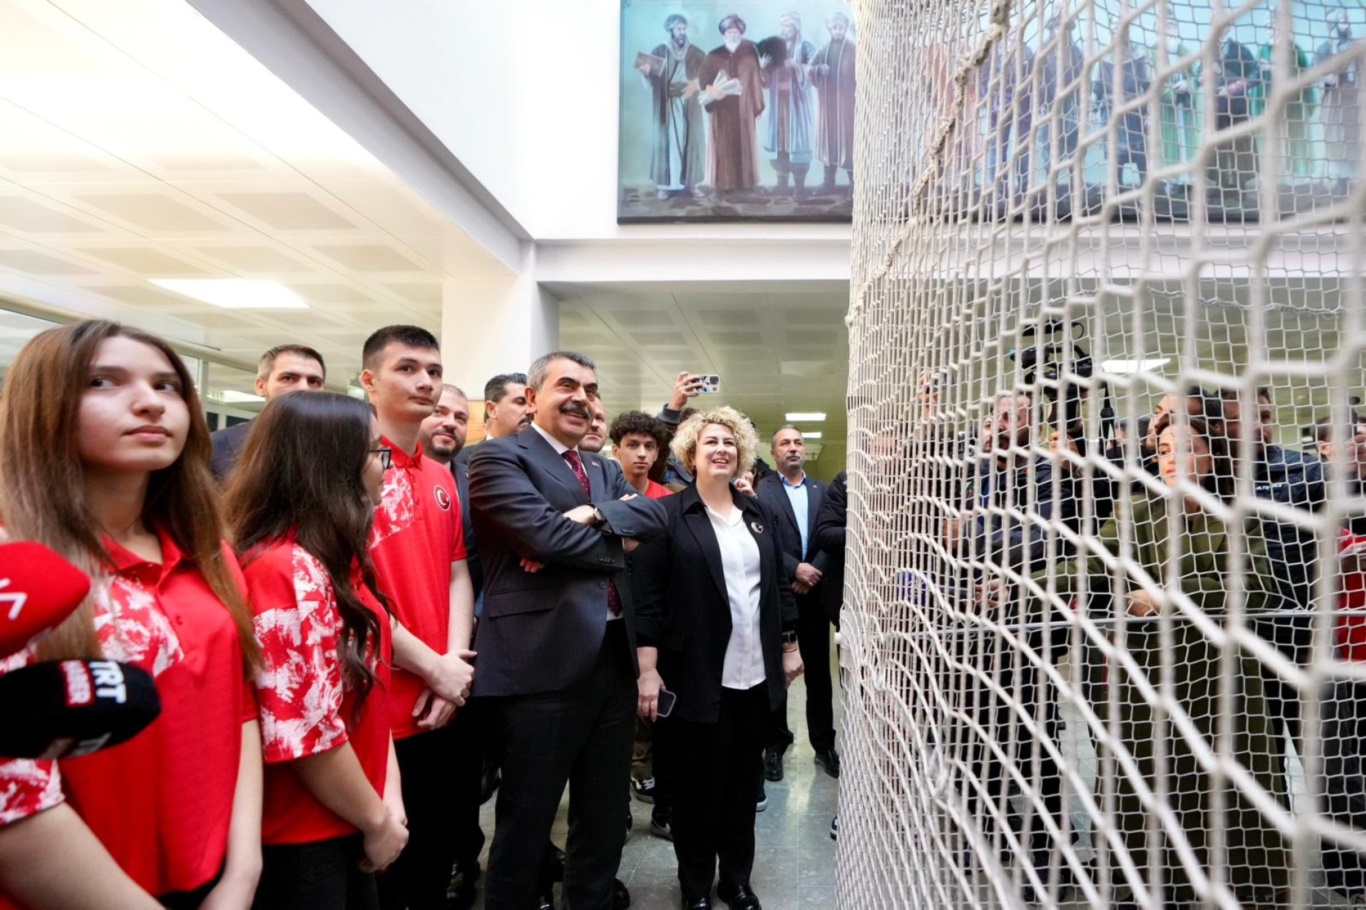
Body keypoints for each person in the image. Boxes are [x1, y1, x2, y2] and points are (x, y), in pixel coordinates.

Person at [0, 320, 262, 909]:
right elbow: (11, 802)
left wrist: (242, 873)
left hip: (213, 880)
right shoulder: (14, 564)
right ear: (43, 405)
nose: (150, 402)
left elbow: (239, 705)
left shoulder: (208, 552)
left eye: (169, 386)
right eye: (103, 381)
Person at [467, 350, 666, 910]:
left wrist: (593, 517)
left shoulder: (604, 467)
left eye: (592, 388)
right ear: (531, 399)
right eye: (567, 385)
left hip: (612, 662)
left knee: (603, 819)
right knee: (526, 823)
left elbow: (655, 518)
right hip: (539, 668)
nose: (582, 397)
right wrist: (598, 536)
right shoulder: (497, 459)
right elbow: (542, 539)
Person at [1074, 414, 1289, 907]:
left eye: (1185, 447)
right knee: (1146, 793)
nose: (1172, 459)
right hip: (1148, 683)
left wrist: (1165, 597)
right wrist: (1018, 589)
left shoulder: (1241, 513)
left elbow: (1256, 590)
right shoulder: (1135, 512)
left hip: (1223, 687)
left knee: (1232, 806)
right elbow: (1084, 565)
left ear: (1212, 457)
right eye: (1165, 449)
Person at [224, 391, 407, 909]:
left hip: (349, 812)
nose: (385, 467)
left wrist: (386, 801)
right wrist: (376, 819)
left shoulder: (330, 560)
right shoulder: (287, 570)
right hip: (306, 837)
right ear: (331, 467)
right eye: (375, 453)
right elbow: (306, 732)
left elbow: (366, 696)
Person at [633, 407, 802, 910]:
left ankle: (736, 881)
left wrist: (790, 647)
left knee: (742, 787)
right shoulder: (667, 516)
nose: (722, 449)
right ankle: (694, 888)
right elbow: (647, 600)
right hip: (695, 677)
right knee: (694, 792)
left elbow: (777, 585)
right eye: (711, 442)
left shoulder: (758, 515)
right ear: (690, 455)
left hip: (755, 676)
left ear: (742, 454)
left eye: (730, 442)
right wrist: (647, 670)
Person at [359, 326, 476, 910]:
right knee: (384, 866)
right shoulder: (353, 469)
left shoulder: (440, 475)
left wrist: (452, 668)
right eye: (407, 368)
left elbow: (458, 570)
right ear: (370, 381)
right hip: (376, 698)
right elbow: (348, 590)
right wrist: (434, 668)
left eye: (433, 369)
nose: (425, 381)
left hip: (441, 698)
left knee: (435, 853)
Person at [756, 426, 837, 786]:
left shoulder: (824, 490)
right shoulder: (761, 490)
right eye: (785, 443)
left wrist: (813, 569)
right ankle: (775, 743)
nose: (793, 448)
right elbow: (761, 537)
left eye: (798, 442)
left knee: (820, 673)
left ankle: (824, 744)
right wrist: (795, 569)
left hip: (816, 594)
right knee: (776, 672)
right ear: (773, 453)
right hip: (779, 592)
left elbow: (832, 531)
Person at [210, 343, 326, 479]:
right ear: (261, 387)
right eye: (288, 378)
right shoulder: (215, 447)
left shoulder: (339, 448)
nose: (303, 388)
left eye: (313, 381)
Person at [638, 13, 707, 200]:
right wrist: (645, 74)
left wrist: (696, 84)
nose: (682, 32)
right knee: (668, 146)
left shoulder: (696, 53)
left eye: (684, 29)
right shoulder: (659, 51)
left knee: (690, 144)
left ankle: (692, 184)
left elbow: (707, 76)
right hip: (667, 106)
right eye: (678, 29)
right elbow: (651, 82)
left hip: (688, 104)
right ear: (671, 30)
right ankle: (666, 186)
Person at [698, 15, 767, 194]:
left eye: (736, 32)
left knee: (745, 144)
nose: (733, 35)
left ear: (741, 33)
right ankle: (723, 185)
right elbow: (704, 80)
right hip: (722, 110)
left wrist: (757, 104)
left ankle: (746, 184)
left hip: (744, 108)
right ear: (724, 34)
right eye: (729, 32)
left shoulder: (750, 53)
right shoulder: (713, 56)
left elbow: (756, 80)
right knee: (723, 144)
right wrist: (715, 92)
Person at [1255, 20, 1317, 182]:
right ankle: (1275, 174)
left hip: (1292, 104)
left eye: (1274, 27)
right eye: (1268, 28)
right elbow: (1256, 77)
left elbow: (1302, 77)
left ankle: (1294, 174)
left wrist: (1274, 68)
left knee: (1293, 138)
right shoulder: (1263, 50)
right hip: (1270, 103)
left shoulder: (1295, 51)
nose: (1271, 31)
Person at [1209, 31, 1263, 210]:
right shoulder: (1209, 50)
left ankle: (1240, 188)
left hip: (1238, 107)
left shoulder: (1241, 50)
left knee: (1240, 146)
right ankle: (1221, 186)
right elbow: (1198, 77)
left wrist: (1234, 87)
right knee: (1218, 148)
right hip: (1216, 108)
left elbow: (1256, 73)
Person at [764, 11, 816, 192]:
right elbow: (765, 73)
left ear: (796, 28)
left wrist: (797, 66)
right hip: (778, 103)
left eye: (788, 25)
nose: (785, 28)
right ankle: (781, 183)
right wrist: (763, 67)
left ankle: (799, 187)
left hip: (797, 104)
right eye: (783, 25)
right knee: (780, 141)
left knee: (797, 141)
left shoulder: (805, 46)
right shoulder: (775, 46)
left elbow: (813, 67)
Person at [810, 12, 855, 194]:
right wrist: (819, 69)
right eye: (834, 28)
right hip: (828, 104)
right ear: (830, 29)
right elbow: (810, 69)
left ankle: (854, 185)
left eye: (841, 28)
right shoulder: (824, 48)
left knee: (849, 142)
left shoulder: (853, 49)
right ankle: (828, 183)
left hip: (847, 105)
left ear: (845, 29)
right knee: (830, 142)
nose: (838, 31)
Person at [1317, 8, 1361, 191]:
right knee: (1337, 139)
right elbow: (1320, 75)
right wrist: (1328, 79)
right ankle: (1341, 181)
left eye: (1347, 20)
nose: (1346, 24)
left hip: (1355, 100)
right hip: (1336, 101)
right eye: (1342, 20)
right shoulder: (1325, 48)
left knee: (1356, 139)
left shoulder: (1356, 46)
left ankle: (1356, 180)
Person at [453, 372, 533, 468]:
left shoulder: (545, 455)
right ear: (492, 409)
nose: (530, 410)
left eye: (532, 403)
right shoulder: (458, 460)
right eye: (520, 402)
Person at [610, 411, 674, 499]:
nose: (642, 454)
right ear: (616, 451)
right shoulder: (602, 495)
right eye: (632, 445)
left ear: (656, 453)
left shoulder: (668, 499)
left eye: (649, 446)